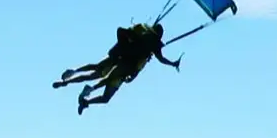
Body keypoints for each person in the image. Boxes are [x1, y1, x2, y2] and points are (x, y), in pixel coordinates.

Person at [53, 23, 181, 114]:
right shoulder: (151, 42)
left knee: (100, 82)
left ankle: (78, 90)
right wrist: (173, 63)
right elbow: (161, 59)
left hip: (120, 58)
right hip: (124, 62)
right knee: (103, 77)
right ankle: (87, 87)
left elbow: (121, 31)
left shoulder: (145, 36)